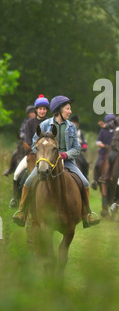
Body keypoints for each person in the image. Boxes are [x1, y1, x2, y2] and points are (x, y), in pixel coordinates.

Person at [12, 95, 100, 228]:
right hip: (46, 161)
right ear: (59, 110)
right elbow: (35, 144)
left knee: (85, 182)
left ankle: (87, 215)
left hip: (68, 161)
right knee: (28, 181)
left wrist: (65, 154)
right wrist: (43, 156)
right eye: (68, 109)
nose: (70, 111)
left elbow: (77, 148)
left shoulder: (71, 127)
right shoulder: (44, 125)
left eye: (70, 109)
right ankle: (22, 212)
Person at [9, 94, 49, 208]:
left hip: (47, 155)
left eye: (44, 109)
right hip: (32, 154)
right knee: (16, 174)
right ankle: (15, 199)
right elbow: (27, 141)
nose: (42, 111)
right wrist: (35, 150)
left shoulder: (50, 123)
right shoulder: (29, 123)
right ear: (36, 110)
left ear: (46, 110)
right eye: (40, 109)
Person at [3, 105, 35, 177]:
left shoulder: (37, 121)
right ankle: (10, 169)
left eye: (34, 112)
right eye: (31, 112)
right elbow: (22, 131)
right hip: (26, 142)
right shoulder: (25, 122)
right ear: (28, 114)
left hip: (34, 143)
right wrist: (23, 136)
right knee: (15, 153)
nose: (33, 114)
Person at [70, 115, 89, 180]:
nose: (74, 124)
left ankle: (85, 176)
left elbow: (83, 142)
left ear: (77, 124)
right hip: (69, 151)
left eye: (75, 123)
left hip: (78, 152)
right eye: (72, 122)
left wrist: (84, 147)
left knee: (85, 163)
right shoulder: (67, 131)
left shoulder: (79, 132)